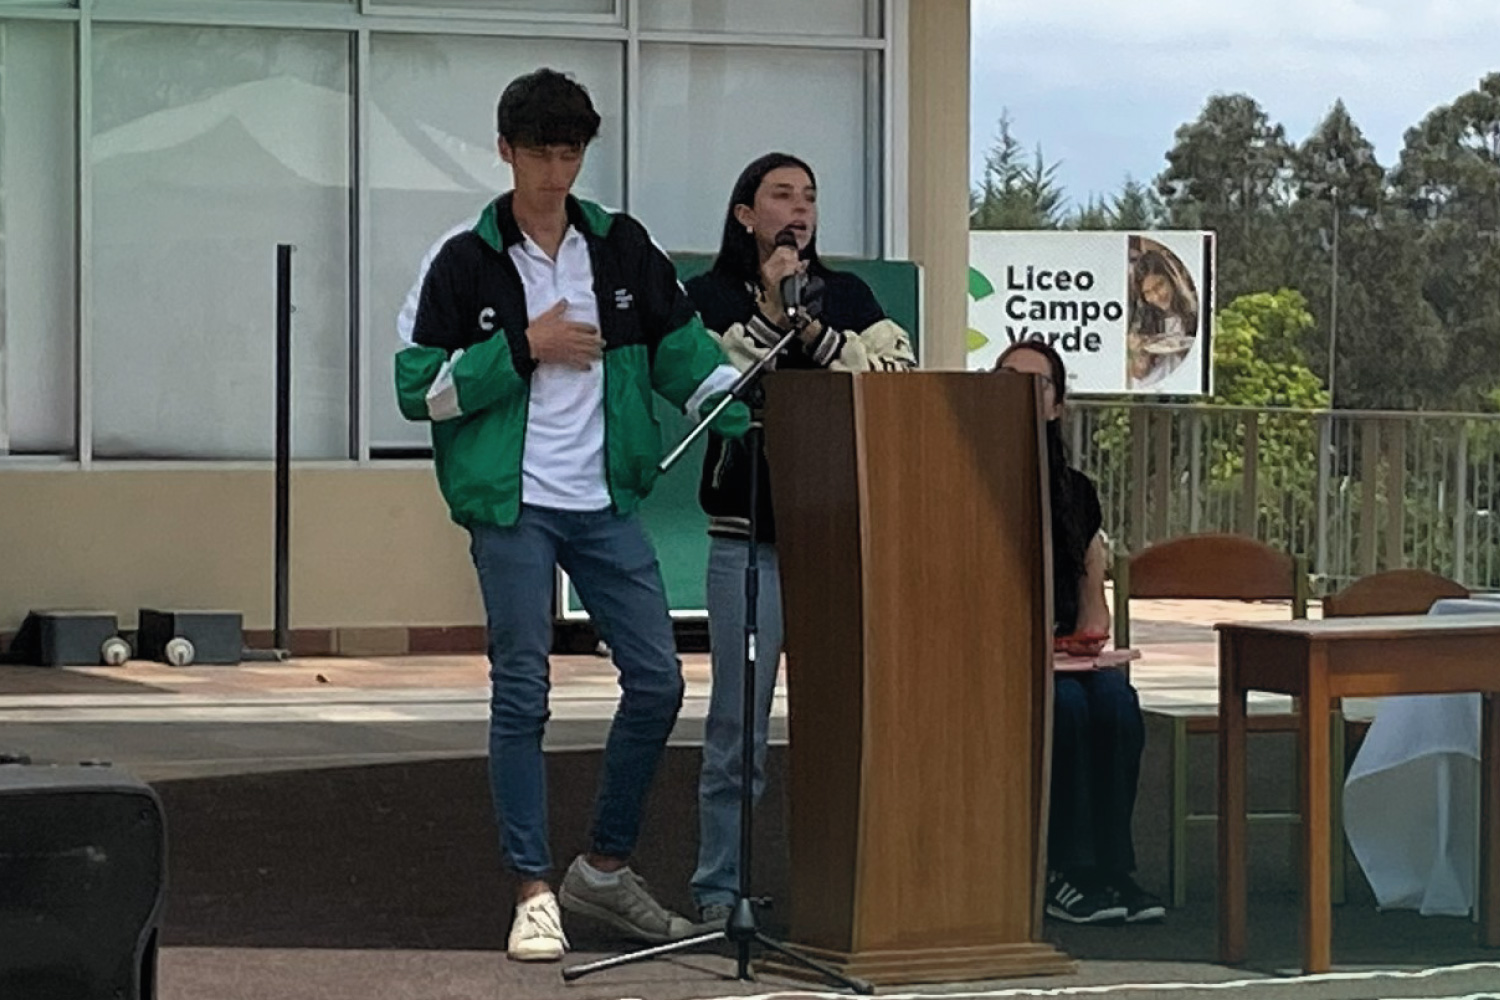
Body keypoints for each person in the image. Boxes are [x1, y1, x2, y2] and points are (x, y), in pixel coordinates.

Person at [394, 68, 749, 963]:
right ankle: (532, 888)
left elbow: (684, 358)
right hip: (512, 508)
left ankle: (603, 866)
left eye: (571, 152)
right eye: (541, 153)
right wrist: (524, 346)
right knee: (523, 692)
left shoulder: (623, 246)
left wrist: (752, 399)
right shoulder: (462, 258)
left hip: (604, 501)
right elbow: (417, 393)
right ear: (505, 150)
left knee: (660, 681)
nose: (557, 171)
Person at [685, 152, 916, 927]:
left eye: (810, 196)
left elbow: (893, 370)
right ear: (746, 213)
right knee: (737, 728)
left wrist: (807, 332)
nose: (800, 208)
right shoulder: (708, 296)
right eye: (781, 194)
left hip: (841, 536)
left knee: (844, 722)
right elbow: (721, 379)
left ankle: (838, 887)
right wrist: (788, 327)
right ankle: (723, 887)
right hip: (748, 538)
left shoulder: (848, 293)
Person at [995, 340, 1164, 926]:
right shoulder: (969, 482)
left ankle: (1114, 870)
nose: (1020, 394)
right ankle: (1063, 872)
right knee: (1063, 708)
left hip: (1062, 651)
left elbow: (1094, 614)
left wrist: (1092, 636)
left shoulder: (1076, 492)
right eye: (1006, 379)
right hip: (1000, 658)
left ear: (1056, 405)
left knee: (1115, 700)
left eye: (1035, 383)